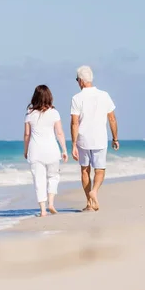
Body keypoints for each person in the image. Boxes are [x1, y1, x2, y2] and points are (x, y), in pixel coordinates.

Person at [70, 66, 119, 212]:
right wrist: (115, 138)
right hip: (100, 138)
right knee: (100, 169)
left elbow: (74, 123)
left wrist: (73, 144)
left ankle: (89, 204)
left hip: (83, 139)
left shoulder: (76, 98)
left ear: (81, 81)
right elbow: (112, 118)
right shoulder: (104, 95)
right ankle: (95, 191)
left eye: (77, 80)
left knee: (85, 170)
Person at [24, 85, 68, 216]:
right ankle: (51, 204)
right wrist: (64, 150)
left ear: (35, 97)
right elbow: (59, 133)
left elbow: (27, 135)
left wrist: (25, 150)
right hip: (52, 151)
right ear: (49, 97)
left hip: (35, 151)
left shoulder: (29, 114)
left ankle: (43, 210)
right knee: (53, 177)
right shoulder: (54, 113)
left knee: (39, 180)